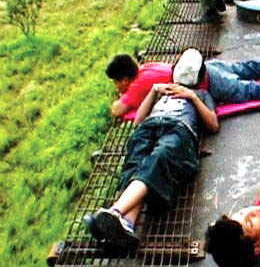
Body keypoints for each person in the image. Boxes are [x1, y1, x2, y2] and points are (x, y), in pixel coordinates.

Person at [83, 50, 220, 251]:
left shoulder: (201, 94)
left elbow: (213, 124)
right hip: (150, 125)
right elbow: (138, 120)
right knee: (136, 158)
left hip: (179, 128)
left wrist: (192, 97)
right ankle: (127, 224)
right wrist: (154, 91)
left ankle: (115, 210)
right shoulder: (162, 89)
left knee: (160, 157)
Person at [105, 54, 173, 119]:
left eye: (115, 83)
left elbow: (116, 110)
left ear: (124, 80)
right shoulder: (144, 67)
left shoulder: (136, 86)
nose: (116, 87)